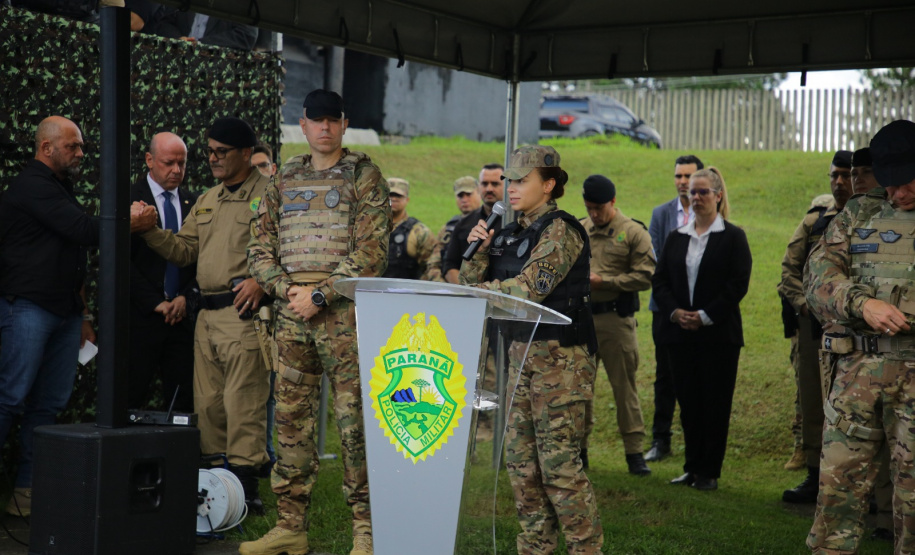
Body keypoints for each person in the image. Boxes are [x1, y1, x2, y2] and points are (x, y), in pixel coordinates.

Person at [244, 89, 390, 555]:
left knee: (355, 426)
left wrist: (321, 294)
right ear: (302, 126)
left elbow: (372, 253)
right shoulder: (284, 178)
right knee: (290, 422)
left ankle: (366, 530)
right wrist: (288, 290)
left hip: (344, 317)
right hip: (291, 315)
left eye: (333, 120)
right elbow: (259, 246)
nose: (324, 128)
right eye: (316, 120)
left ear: (344, 124)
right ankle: (291, 526)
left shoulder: (365, 176)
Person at [0, 116, 155, 517]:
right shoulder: (32, 185)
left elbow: (74, 252)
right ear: (46, 148)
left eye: (81, 146)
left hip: (64, 312)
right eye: (73, 146)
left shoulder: (59, 188)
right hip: (29, 308)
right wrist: (131, 223)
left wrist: (83, 312)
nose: (81, 153)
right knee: (10, 398)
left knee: (48, 405)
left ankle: (27, 493)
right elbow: (85, 230)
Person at [460, 145, 603, 554]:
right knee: (522, 467)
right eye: (510, 180)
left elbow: (528, 290)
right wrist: (479, 251)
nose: (512, 188)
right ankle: (535, 549)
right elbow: (472, 281)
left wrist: (471, 291)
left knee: (558, 467)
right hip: (520, 358)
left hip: (562, 362)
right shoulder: (507, 231)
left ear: (550, 184)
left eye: (523, 181)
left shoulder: (562, 230)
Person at [135, 116, 271, 515]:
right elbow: (182, 251)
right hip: (206, 318)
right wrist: (147, 230)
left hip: (243, 314)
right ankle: (215, 494)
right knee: (208, 405)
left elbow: (290, 247)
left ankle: (246, 493)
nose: (212, 158)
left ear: (246, 153)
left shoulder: (270, 194)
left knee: (242, 402)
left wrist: (261, 280)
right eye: (209, 151)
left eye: (221, 152)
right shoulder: (208, 198)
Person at [806, 120, 915, 554]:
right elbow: (816, 279)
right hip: (856, 376)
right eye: (888, 185)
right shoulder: (859, 212)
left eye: (905, 184)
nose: (896, 195)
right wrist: (860, 303)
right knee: (837, 496)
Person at [652, 167, 752, 491]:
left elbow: (737, 285)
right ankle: (692, 467)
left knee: (715, 404)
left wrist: (706, 315)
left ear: (718, 195)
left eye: (703, 192)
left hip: (718, 336)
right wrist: (675, 312)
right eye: (692, 192)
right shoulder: (677, 237)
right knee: (689, 403)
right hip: (680, 335)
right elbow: (661, 281)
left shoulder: (733, 237)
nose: (695, 197)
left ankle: (709, 471)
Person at [777, 151, 852, 504]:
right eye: (834, 175)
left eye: (847, 175)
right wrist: (805, 306)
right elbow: (789, 270)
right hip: (814, 331)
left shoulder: (876, 218)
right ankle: (813, 473)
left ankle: (864, 490)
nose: (839, 182)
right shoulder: (815, 222)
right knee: (812, 401)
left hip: (861, 334)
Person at [579, 174, 655, 475]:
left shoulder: (632, 232)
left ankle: (634, 453)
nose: (594, 214)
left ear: (613, 202)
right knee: (579, 389)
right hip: (582, 320)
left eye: (599, 208)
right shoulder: (580, 230)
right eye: (589, 208)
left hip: (615, 320)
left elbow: (647, 275)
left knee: (624, 388)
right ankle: (579, 450)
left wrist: (605, 281)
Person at [128, 132, 197, 413]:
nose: (176, 170)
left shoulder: (195, 203)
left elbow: (200, 257)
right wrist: (155, 302)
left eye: (182, 163)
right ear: (149, 160)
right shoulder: (128, 199)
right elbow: (118, 261)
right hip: (140, 318)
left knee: (183, 402)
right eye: (169, 163)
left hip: (181, 320)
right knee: (129, 397)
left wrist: (184, 298)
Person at [645, 154, 703, 462]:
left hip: (699, 309)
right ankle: (660, 440)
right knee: (664, 375)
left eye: (688, 177)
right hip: (664, 308)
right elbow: (654, 262)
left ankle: (697, 443)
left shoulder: (711, 214)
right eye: (678, 176)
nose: (682, 182)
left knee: (697, 376)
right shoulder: (661, 214)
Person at [442, 163, 504, 284]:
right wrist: (464, 293)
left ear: (506, 185)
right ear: (478, 187)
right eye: (484, 184)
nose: (489, 189)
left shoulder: (517, 221)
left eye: (495, 184)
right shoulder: (463, 224)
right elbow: (450, 264)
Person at [425, 176, 480, 282]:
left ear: (479, 193)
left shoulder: (489, 223)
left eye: (468, 194)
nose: (464, 200)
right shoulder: (448, 228)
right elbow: (434, 263)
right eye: (460, 196)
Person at [381, 178, 435, 280]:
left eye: (398, 195)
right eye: (390, 194)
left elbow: (431, 268)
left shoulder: (420, 232)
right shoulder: (369, 228)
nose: (393, 198)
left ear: (407, 200)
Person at [157, 10, 258, 50]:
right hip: (177, 62)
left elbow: (247, 35)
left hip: (215, 72)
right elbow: (164, 22)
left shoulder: (239, 4)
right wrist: (178, 38)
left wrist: (202, 44)